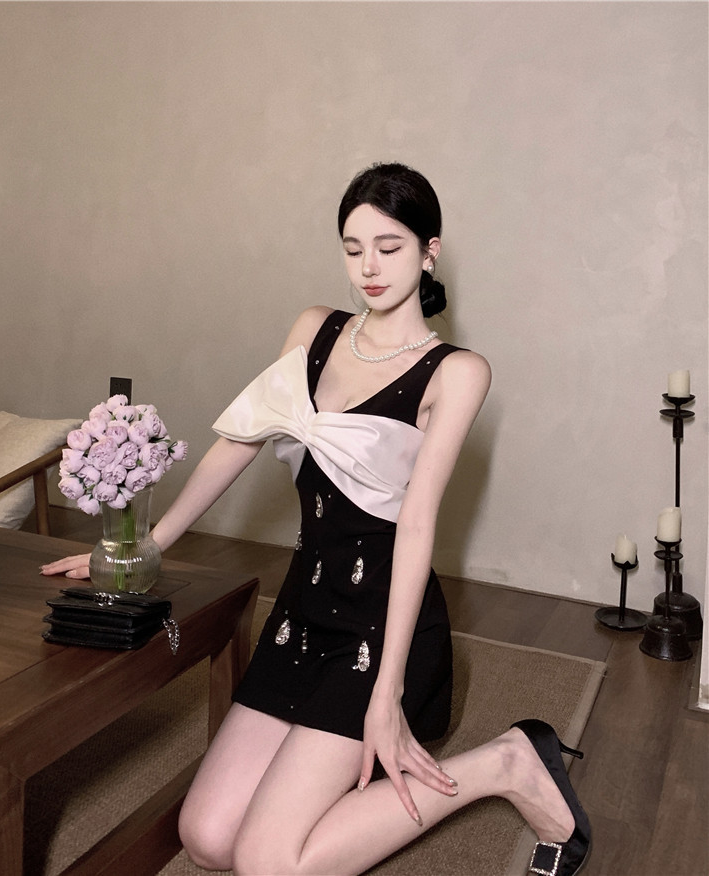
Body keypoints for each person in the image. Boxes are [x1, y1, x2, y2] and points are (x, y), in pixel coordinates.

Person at [42, 163, 590, 876]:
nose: (369, 267)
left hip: (381, 628)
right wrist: (144, 546)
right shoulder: (315, 330)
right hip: (303, 611)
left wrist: (386, 692)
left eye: (389, 247)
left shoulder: (457, 372)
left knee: (268, 863)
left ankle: (505, 762)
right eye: (353, 248)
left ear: (429, 251)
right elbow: (240, 440)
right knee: (207, 838)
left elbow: (418, 526)